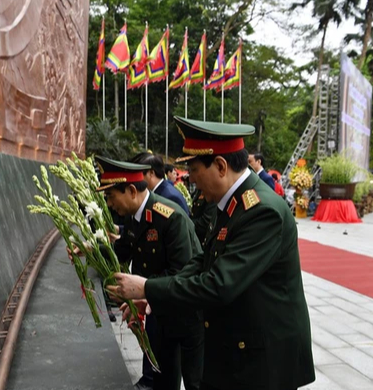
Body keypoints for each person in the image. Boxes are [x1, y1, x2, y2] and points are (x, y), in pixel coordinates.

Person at [107, 117, 315, 390]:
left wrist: (147, 286)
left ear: (220, 166)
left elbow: (219, 284)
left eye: (193, 170)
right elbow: (203, 261)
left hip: (262, 361)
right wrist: (153, 295)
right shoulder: (230, 204)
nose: (189, 179)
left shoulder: (262, 211)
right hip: (235, 347)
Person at [95, 155, 204, 390]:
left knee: (195, 381)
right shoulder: (135, 217)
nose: (110, 205)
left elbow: (182, 272)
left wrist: (143, 290)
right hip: (160, 310)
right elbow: (123, 250)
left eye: (111, 197)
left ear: (132, 190)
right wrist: (91, 249)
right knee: (162, 377)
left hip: (187, 314)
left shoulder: (169, 217)